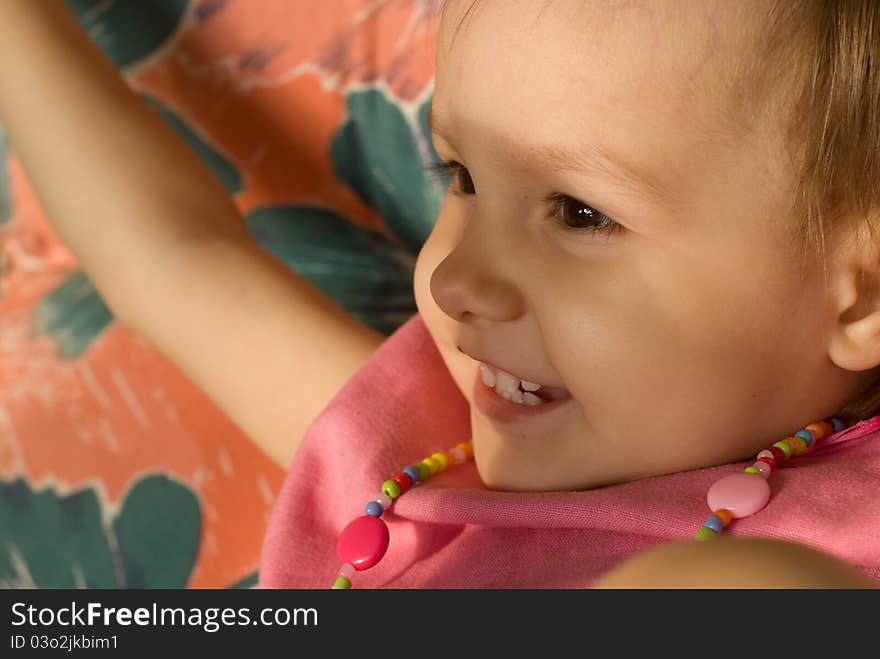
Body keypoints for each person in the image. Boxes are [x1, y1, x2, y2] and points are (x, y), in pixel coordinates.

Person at [2, 0, 878, 588]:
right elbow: (174, 262)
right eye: (458, 174)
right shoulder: (422, 445)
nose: (456, 282)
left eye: (579, 213)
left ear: (862, 297)